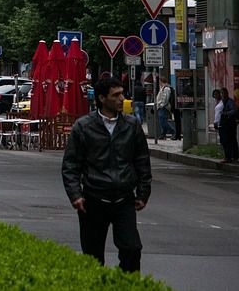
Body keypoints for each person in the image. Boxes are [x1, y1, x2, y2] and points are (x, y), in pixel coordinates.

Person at [61, 76, 151, 273]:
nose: (122, 99)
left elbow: (142, 161)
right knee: (93, 257)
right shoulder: (84, 126)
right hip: (93, 200)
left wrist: (143, 193)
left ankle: (125, 286)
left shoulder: (131, 125)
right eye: (116, 95)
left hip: (123, 199)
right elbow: (71, 165)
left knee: (132, 249)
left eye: (122, 94)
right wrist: (75, 195)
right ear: (102, 98)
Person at [218, 87, 239, 162]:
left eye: (223, 93)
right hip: (223, 123)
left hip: (229, 123)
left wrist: (225, 113)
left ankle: (230, 156)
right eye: (221, 93)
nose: (222, 94)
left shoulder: (230, 101)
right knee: (226, 140)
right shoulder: (221, 102)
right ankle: (231, 156)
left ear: (227, 93)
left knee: (230, 140)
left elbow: (234, 110)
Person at [153, 77, 175, 141]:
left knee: (163, 121)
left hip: (163, 107)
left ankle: (173, 131)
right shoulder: (163, 88)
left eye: (159, 81)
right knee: (162, 120)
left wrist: (161, 105)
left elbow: (165, 98)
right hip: (161, 107)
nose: (159, 82)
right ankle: (163, 134)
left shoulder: (166, 88)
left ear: (161, 81)